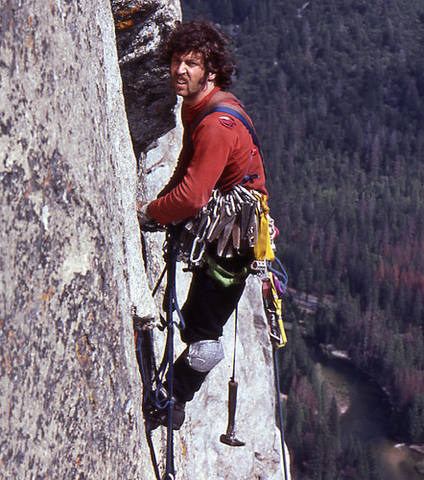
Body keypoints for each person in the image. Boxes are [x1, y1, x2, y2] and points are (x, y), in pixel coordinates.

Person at [137, 20, 269, 429]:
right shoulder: (199, 104)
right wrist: (164, 206)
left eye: (191, 64)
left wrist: (152, 214)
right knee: (196, 318)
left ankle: (175, 399)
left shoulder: (216, 122)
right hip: (228, 224)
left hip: (237, 239)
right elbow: (188, 165)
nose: (180, 70)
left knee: (204, 335)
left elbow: (195, 195)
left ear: (210, 70)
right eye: (177, 60)